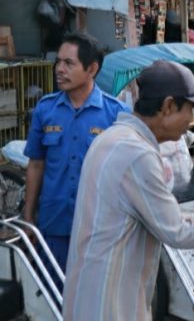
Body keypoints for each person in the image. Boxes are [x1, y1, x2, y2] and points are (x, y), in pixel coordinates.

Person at [62, 60, 194, 321]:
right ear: (169, 106)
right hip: (111, 304)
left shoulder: (112, 138)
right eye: (190, 109)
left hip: (90, 295)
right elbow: (177, 232)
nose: (192, 120)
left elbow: (162, 218)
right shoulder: (137, 154)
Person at [23, 32, 130, 275]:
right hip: (54, 223)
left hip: (99, 226)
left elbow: (125, 173)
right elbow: (36, 164)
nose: (59, 69)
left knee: (93, 298)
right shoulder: (45, 109)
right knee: (52, 296)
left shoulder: (117, 113)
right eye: (58, 62)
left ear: (91, 69)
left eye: (69, 63)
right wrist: (29, 215)